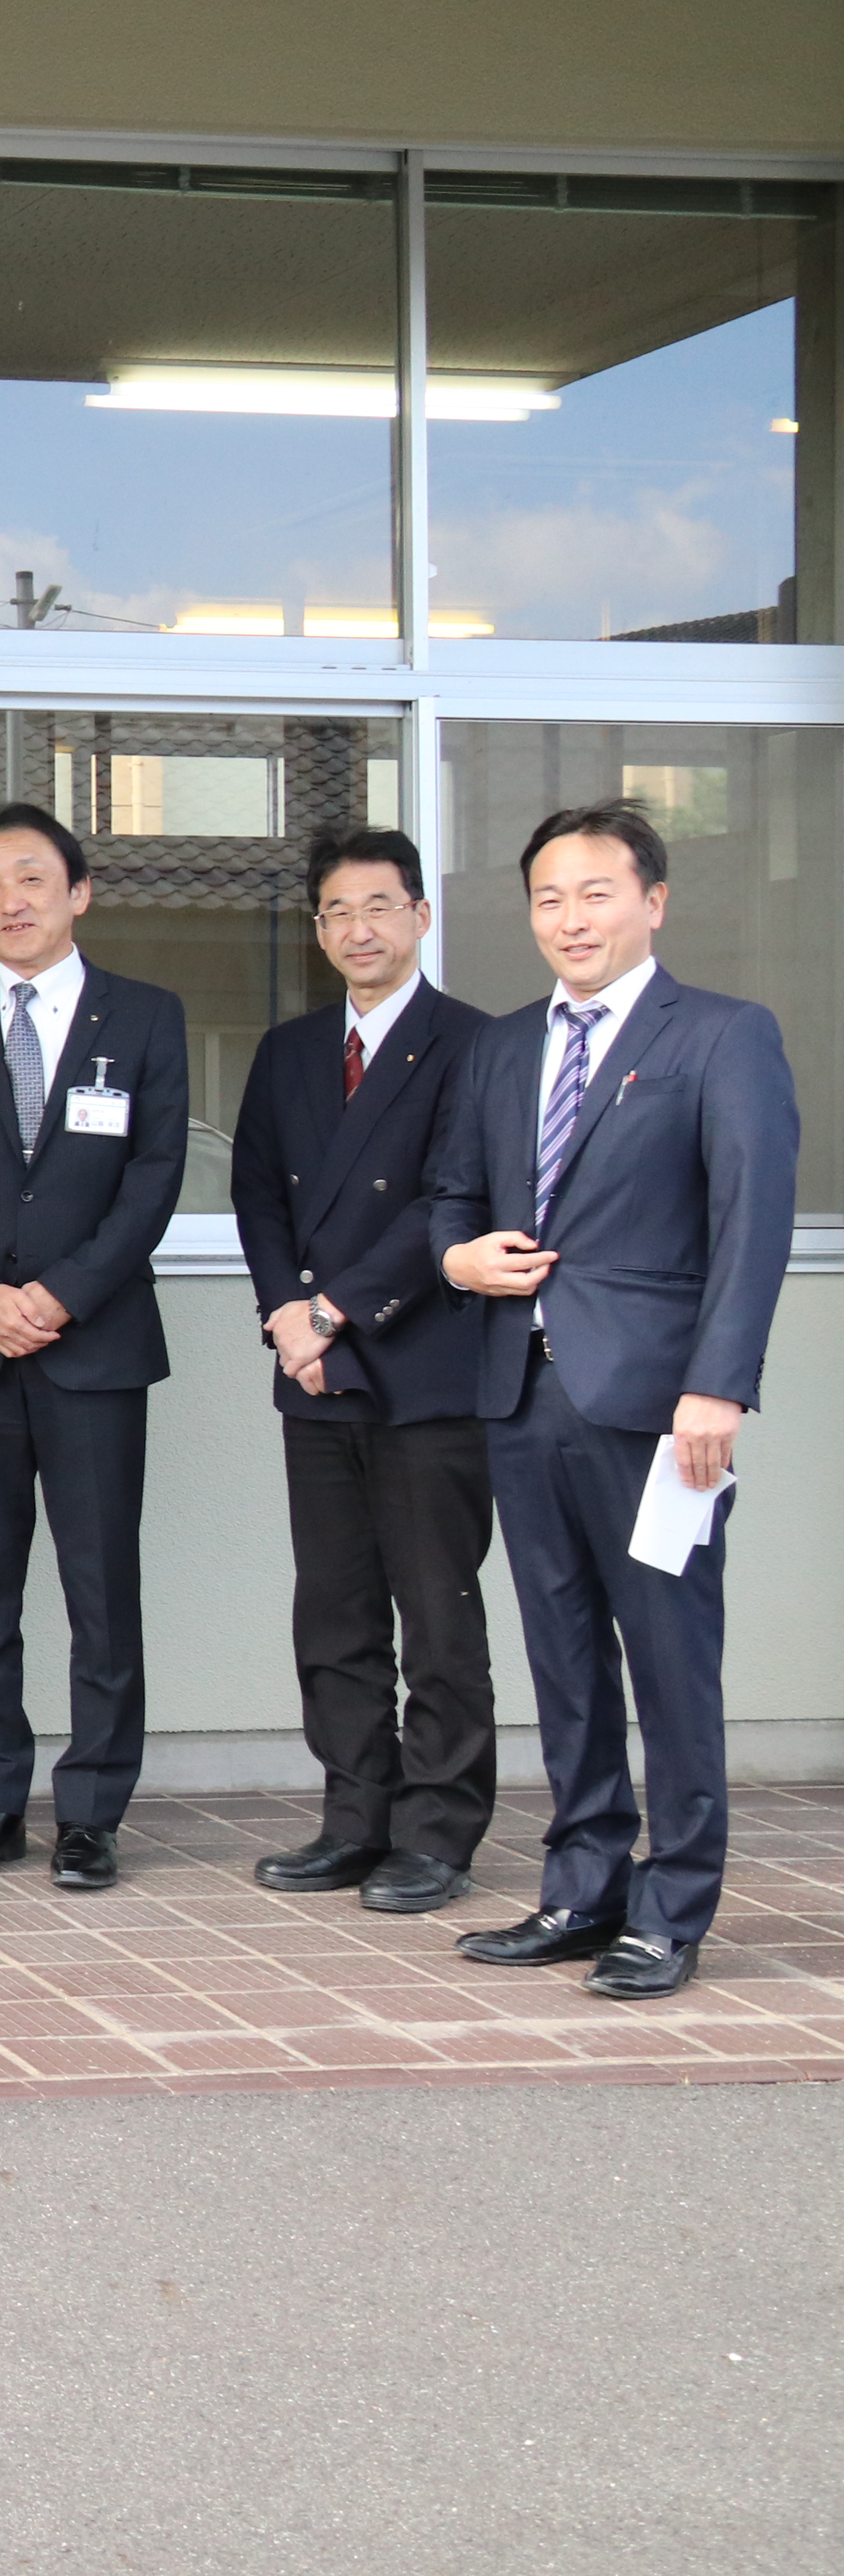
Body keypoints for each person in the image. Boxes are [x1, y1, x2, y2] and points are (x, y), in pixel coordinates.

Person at [430, 801, 797, 2001]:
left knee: (670, 1657)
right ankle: (584, 1885)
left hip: (657, 1408)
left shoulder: (723, 1036)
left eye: (596, 891)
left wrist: (717, 1388)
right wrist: (459, 1260)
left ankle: (675, 1904)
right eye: (548, 896)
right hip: (520, 1390)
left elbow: (752, 1226)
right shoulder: (499, 1047)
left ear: (654, 900)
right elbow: (448, 1196)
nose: (571, 917)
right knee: (565, 1654)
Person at [0, 802, 188, 1891]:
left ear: (79, 892)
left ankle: (95, 1811)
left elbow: (154, 1180)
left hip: (94, 1349)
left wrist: (57, 1296)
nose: (8, 901)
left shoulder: (145, 1018)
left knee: (102, 1585)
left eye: (29, 878)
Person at [227, 826, 497, 1915]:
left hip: (426, 1367)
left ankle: (438, 1829)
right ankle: (355, 1816)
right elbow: (256, 1192)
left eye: (378, 906)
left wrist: (337, 1306)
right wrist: (288, 1316)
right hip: (315, 1370)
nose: (357, 929)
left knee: (436, 1610)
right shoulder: (290, 1050)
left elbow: (454, 1200)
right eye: (336, 912)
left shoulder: (474, 1043)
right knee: (333, 1609)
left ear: (421, 917)